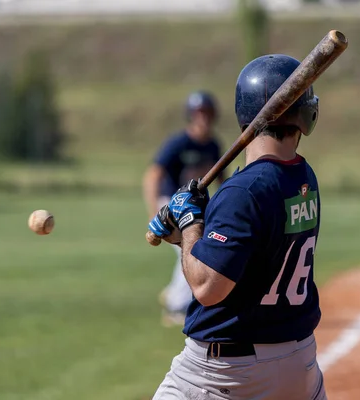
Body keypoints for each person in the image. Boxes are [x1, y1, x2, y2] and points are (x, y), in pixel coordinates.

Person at [147, 53, 326, 399]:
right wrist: (186, 236)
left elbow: (207, 288)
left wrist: (189, 219)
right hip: (299, 365)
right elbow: (251, 251)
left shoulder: (245, 189)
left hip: (225, 374)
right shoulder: (303, 176)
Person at [142, 90, 225, 327]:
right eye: (199, 113)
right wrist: (153, 210)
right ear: (190, 115)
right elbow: (153, 175)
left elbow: (223, 180)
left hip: (197, 209)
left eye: (207, 112)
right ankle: (176, 306)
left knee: (197, 248)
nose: (203, 118)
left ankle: (172, 293)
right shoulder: (179, 143)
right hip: (172, 205)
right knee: (190, 251)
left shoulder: (212, 145)